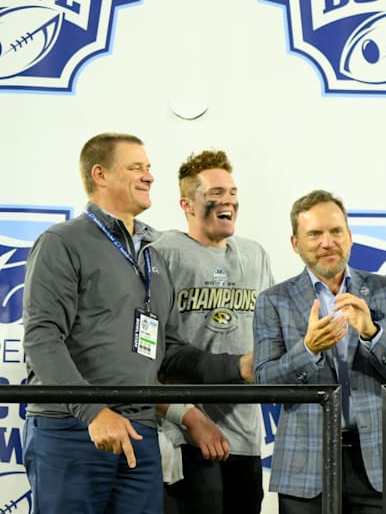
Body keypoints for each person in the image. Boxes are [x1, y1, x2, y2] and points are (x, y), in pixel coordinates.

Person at [21, 132, 253, 514]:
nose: (149, 176)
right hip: (72, 430)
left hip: (141, 432)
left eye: (148, 168)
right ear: (100, 175)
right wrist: (93, 413)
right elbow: (42, 336)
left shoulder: (152, 255)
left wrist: (237, 366)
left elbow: (170, 352)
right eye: (136, 167)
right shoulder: (63, 241)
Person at [254, 189, 386, 513]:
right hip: (303, 467)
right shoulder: (274, 300)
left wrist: (372, 334)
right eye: (314, 234)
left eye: (335, 231)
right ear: (295, 244)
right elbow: (264, 382)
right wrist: (308, 349)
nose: (327, 242)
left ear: (350, 236)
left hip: (377, 464)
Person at [150, 150, 274, 514]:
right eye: (216, 193)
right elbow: (154, 353)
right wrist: (185, 416)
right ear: (187, 203)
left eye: (233, 192)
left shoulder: (255, 254)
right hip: (185, 434)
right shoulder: (162, 254)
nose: (229, 201)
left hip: (247, 436)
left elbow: (272, 334)